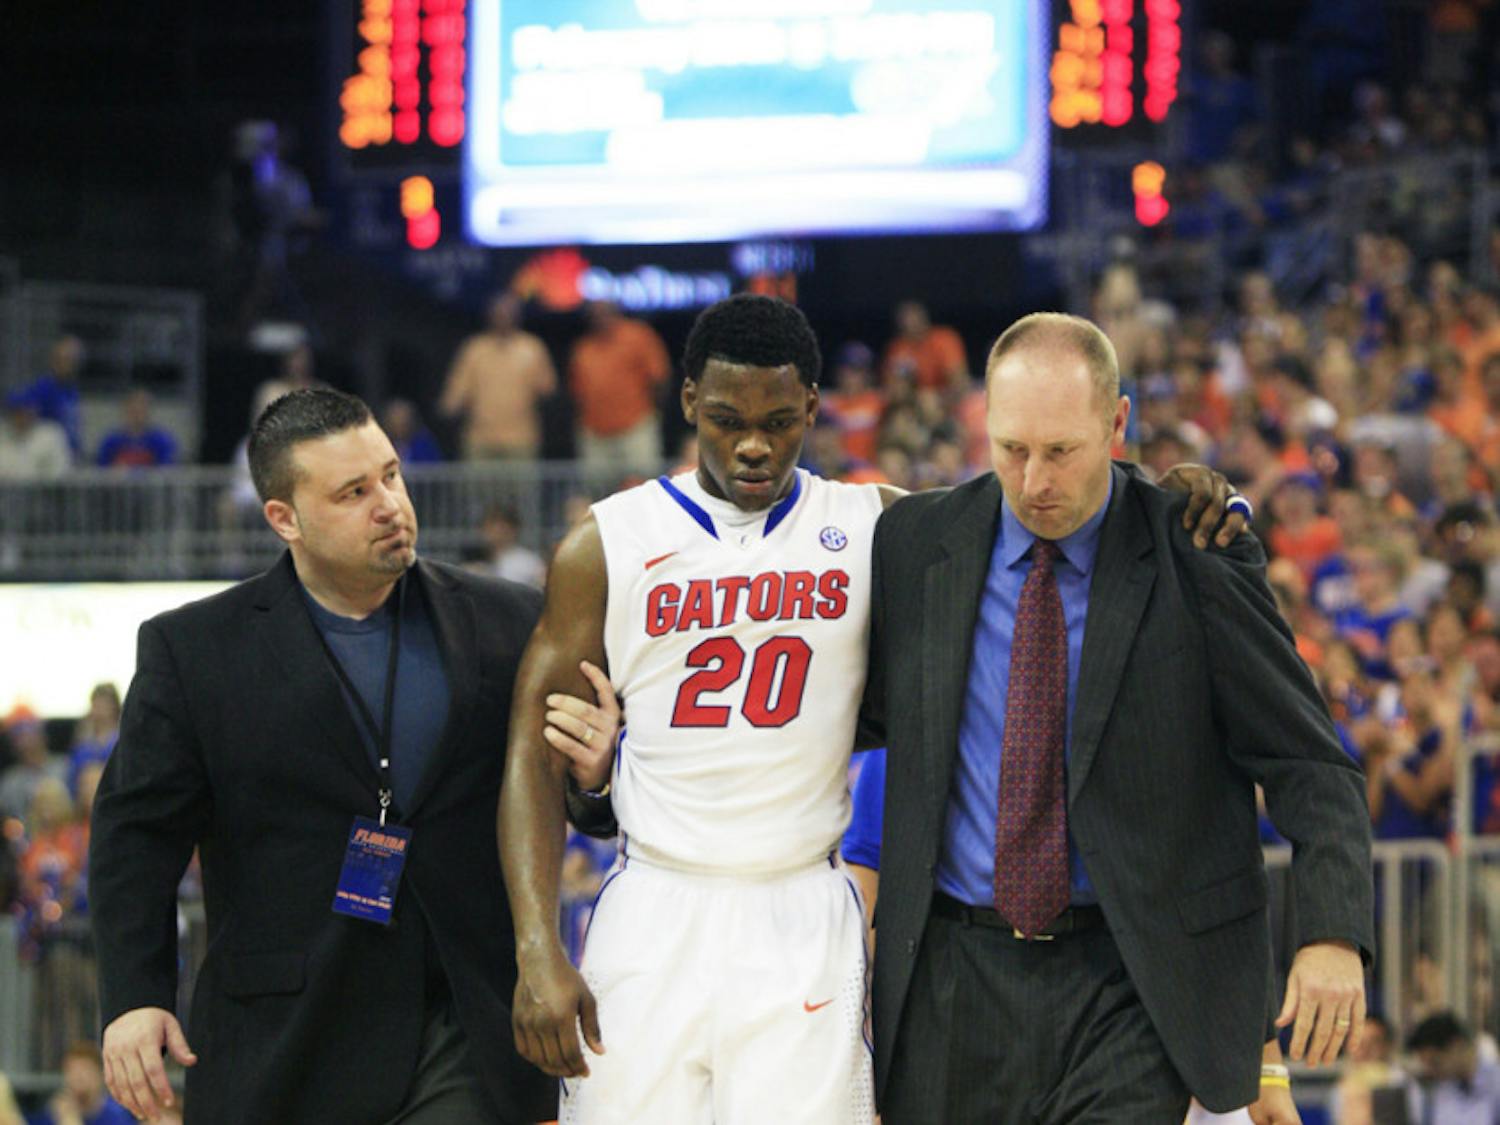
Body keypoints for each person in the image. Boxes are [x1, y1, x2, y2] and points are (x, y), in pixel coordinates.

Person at [498, 294, 1246, 1124]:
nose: (752, 443)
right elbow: (532, 754)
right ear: (685, 403)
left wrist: (1174, 492)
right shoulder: (606, 543)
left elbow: (1045, 501)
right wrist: (536, 945)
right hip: (655, 900)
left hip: (804, 906)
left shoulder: (877, 526)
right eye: (725, 419)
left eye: (780, 421)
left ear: (815, 410)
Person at [863, 312, 1373, 1122]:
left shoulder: (1194, 546)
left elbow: (1310, 761)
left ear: (1118, 423)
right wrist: (617, 770)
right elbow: (836, 726)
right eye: (1011, 449)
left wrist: (1332, 933)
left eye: (1061, 451)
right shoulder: (912, 543)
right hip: (952, 979)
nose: (1033, 480)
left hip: (1133, 979)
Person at [89, 388, 553, 1124]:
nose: (389, 504)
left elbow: (565, 788)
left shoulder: (511, 618)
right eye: (353, 491)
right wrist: (135, 997)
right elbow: (135, 837)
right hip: (285, 1038)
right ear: (285, 518)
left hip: (462, 1024)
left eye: (391, 475)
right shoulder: (196, 650)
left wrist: (594, 780)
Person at [440, 293, 557, 461]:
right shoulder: (474, 349)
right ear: (490, 317)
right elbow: (457, 391)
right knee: (479, 487)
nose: (503, 318)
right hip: (480, 439)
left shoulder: (532, 348)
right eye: (498, 314)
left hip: (521, 440)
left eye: (508, 314)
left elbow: (548, 389)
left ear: (517, 317)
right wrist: (448, 408)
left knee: (520, 487)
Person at [567, 300, 671, 471]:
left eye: (605, 313)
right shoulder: (583, 349)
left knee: (643, 485)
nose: (600, 318)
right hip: (595, 435)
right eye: (595, 315)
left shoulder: (639, 336)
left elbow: (660, 380)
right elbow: (577, 394)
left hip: (636, 429)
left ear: (615, 313)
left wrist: (653, 414)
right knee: (598, 491)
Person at [1405, 1012, 1500, 1123]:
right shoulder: (1441, 1092)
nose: (1431, 1072)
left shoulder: (1495, 1087)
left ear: (1456, 1045)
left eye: (1435, 1062)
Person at [27, 1041, 132, 1125]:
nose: (78, 1078)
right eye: (72, 1071)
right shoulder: (53, 1113)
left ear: (100, 1075)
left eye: (85, 1071)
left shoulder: (117, 1115)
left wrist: (70, 1119)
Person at [95, 390, 178, 469]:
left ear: (148, 412)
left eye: (141, 410)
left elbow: (167, 469)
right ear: (125, 410)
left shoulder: (161, 440)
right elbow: (101, 469)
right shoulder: (111, 440)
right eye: (133, 410)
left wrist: (136, 472)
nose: (137, 415)